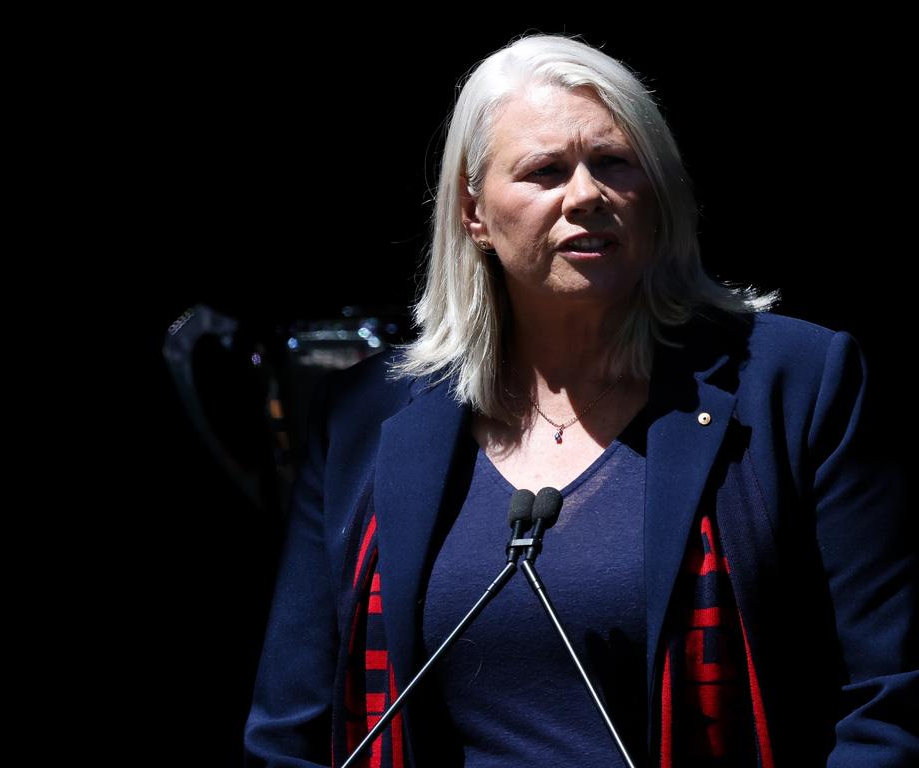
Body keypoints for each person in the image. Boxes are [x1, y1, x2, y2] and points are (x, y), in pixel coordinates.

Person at [244, 33, 916, 767]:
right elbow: (291, 730)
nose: (587, 195)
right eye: (544, 171)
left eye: (614, 163)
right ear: (474, 214)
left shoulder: (796, 381)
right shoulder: (368, 418)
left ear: (656, 193)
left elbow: (890, 699)